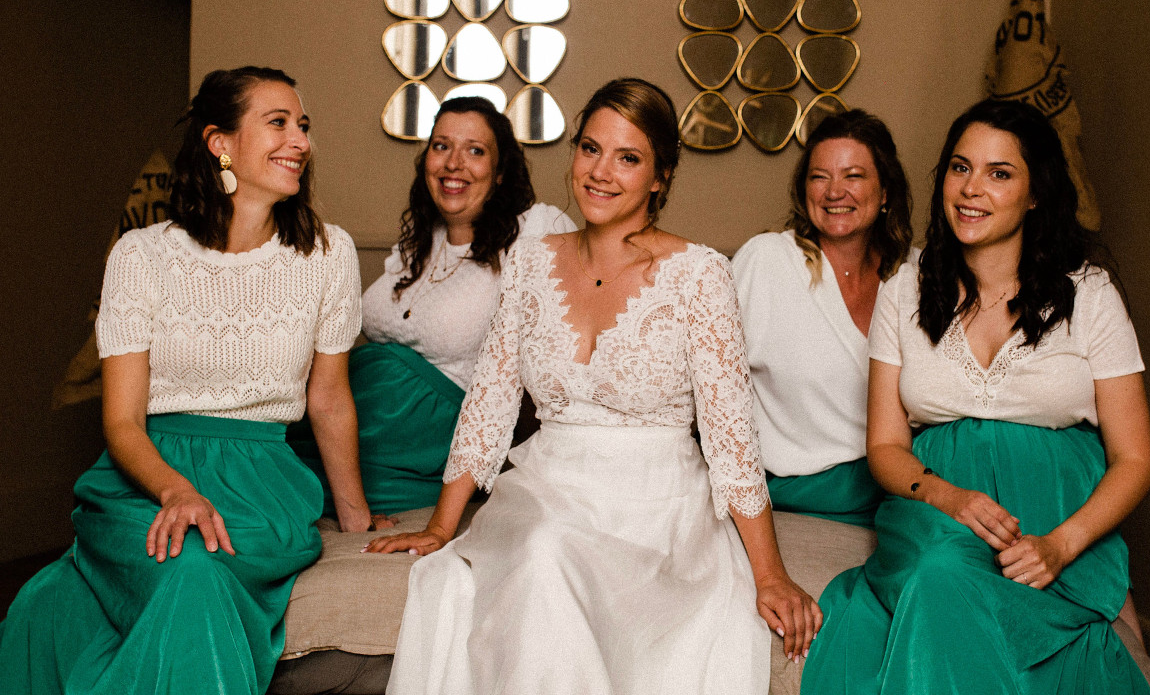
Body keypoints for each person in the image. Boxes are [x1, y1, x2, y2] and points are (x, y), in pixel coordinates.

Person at [366, 78, 820, 694]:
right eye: (589, 149)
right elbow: (489, 406)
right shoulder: (529, 261)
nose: (601, 172)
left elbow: (732, 442)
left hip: (657, 506)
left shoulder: (701, 274)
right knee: (541, 553)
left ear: (659, 176)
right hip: (547, 489)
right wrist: (443, 529)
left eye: (627, 158)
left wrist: (769, 575)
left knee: (556, 561)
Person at [0, 66, 377, 695]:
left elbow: (329, 397)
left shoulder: (327, 254)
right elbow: (121, 421)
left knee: (196, 570)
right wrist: (176, 493)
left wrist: (356, 515)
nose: (300, 141)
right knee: (73, 598)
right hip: (145, 477)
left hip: (262, 486)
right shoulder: (142, 256)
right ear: (220, 143)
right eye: (278, 123)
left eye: (303, 126)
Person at [801, 99, 1150, 694]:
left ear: (1035, 192)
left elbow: (1136, 458)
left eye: (999, 173)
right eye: (960, 168)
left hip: (1051, 516)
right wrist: (947, 497)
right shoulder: (904, 291)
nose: (971, 189)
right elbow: (886, 446)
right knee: (938, 575)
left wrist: (1060, 546)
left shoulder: (1089, 295)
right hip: (934, 510)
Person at [288, 96, 573, 517]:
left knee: (291, 486)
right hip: (356, 412)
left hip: (427, 438)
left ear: (499, 174)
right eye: (441, 146)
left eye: (475, 150)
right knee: (265, 455)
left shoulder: (535, 230)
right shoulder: (418, 243)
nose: (453, 163)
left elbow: (573, 340)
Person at [732, 110, 912, 528]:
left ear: (885, 192)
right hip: (796, 489)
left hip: (899, 483)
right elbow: (703, 387)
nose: (834, 192)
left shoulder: (916, 275)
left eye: (853, 176)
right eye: (819, 177)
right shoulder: (767, 261)